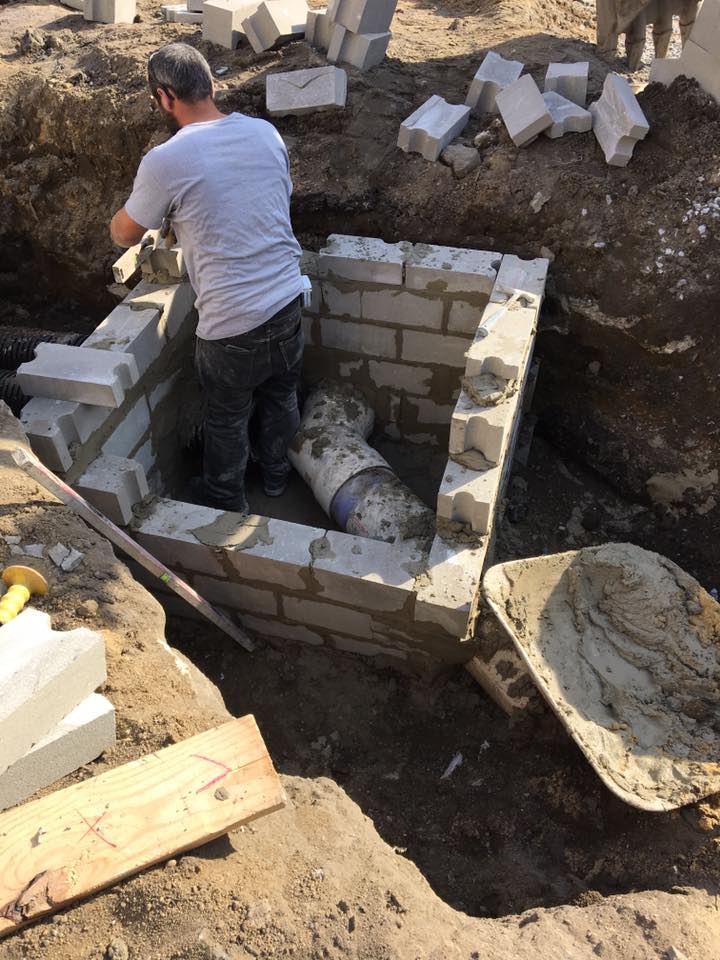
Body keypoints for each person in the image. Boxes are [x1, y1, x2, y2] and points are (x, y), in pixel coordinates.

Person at [110, 42, 304, 514]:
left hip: (233, 324)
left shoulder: (166, 159)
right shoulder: (264, 133)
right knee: (281, 395)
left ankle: (225, 499)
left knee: (227, 416)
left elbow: (123, 234)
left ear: (163, 97)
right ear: (213, 86)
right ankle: (278, 479)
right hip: (289, 300)